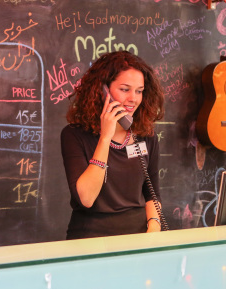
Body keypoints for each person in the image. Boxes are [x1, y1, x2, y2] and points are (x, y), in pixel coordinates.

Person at [61, 51, 165, 239]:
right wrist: (105, 137)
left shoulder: (146, 136)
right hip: (91, 237)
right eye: (125, 89)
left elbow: (152, 194)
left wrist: (154, 230)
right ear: (103, 91)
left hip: (140, 236)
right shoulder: (74, 135)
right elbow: (86, 198)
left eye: (139, 91)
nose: (133, 98)